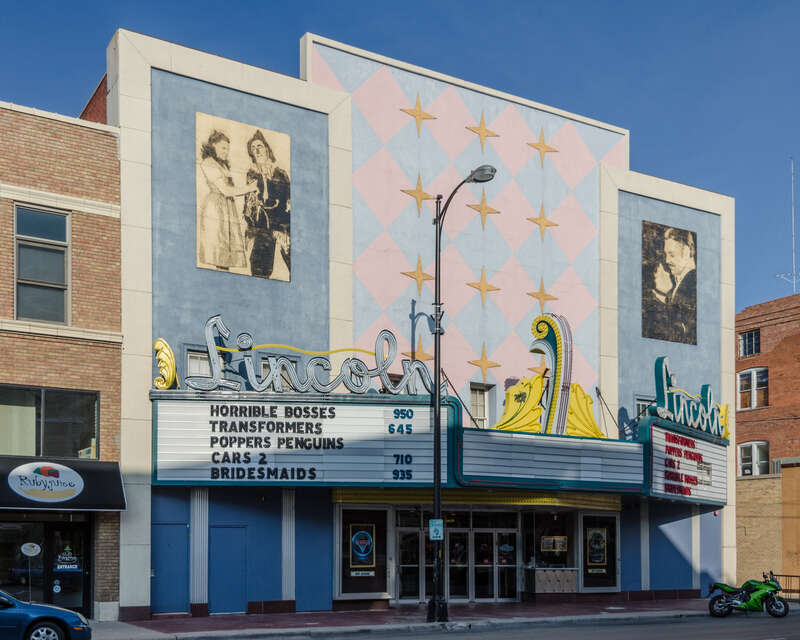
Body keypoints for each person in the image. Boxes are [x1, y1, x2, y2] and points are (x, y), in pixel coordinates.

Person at [197, 130, 257, 270]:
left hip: (228, 208)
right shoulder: (208, 163)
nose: (226, 152)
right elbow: (226, 190)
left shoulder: (223, 165)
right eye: (223, 148)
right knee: (220, 250)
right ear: (213, 145)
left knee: (227, 252)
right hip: (216, 210)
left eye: (228, 149)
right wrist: (250, 188)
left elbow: (233, 190)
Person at [242, 130, 291, 279]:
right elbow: (248, 205)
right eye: (253, 148)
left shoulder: (280, 173)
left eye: (260, 146)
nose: (257, 150)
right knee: (258, 268)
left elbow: (288, 203)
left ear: (267, 150)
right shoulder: (251, 175)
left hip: (282, 227)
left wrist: (284, 229)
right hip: (262, 227)